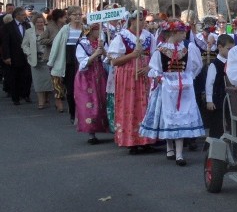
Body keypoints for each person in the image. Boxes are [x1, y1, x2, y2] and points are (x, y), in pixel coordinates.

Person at [139, 19, 206, 166]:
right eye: (182, 32)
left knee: (180, 118)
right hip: (166, 88)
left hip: (183, 88)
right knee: (168, 118)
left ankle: (180, 154)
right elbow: (154, 69)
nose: (184, 35)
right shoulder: (160, 50)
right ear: (174, 33)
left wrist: (187, 78)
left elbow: (193, 67)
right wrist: (161, 78)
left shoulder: (186, 50)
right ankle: (170, 148)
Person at [107, 12, 157, 154]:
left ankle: (147, 140)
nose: (143, 23)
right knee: (130, 105)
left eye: (143, 20)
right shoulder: (122, 36)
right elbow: (114, 61)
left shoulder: (148, 36)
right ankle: (131, 141)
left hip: (145, 75)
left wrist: (149, 67)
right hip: (128, 75)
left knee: (146, 105)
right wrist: (132, 55)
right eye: (140, 20)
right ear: (132, 21)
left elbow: (155, 56)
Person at [47, 5, 85, 123]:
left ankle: (83, 114)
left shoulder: (85, 29)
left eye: (80, 14)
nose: (78, 17)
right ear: (69, 16)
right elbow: (56, 46)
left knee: (83, 90)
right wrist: (51, 62)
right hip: (69, 63)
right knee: (71, 90)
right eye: (75, 15)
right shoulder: (65, 30)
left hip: (82, 63)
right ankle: (73, 114)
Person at [73, 23, 110, 145]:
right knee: (89, 102)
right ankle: (91, 132)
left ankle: (107, 127)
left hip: (100, 74)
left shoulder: (102, 42)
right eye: (96, 30)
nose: (99, 33)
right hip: (87, 77)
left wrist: (103, 51)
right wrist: (94, 55)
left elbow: (109, 58)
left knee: (103, 100)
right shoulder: (83, 44)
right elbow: (82, 63)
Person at [21, 12, 53, 109]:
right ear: (34, 23)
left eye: (42, 22)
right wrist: (29, 53)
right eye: (38, 22)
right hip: (35, 60)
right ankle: (41, 102)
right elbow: (24, 45)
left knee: (48, 82)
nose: (40, 24)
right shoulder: (29, 32)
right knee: (38, 82)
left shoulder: (48, 31)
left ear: (44, 22)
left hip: (47, 59)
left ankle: (46, 98)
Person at [205, 33, 234, 139]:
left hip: (229, 99)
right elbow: (209, 83)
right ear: (220, 47)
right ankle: (213, 150)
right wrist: (209, 100)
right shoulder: (215, 64)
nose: (231, 52)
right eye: (229, 49)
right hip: (217, 99)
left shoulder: (231, 63)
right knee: (217, 125)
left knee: (229, 123)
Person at [2, 6, 33, 105]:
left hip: (26, 56)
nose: (25, 17)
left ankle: (26, 95)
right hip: (14, 55)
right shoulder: (8, 27)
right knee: (15, 77)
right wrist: (6, 57)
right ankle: (16, 98)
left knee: (27, 77)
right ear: (17, 16)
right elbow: (5, 43)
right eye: (23, 15)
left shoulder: (27, 25)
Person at [44, 9, 67, 112]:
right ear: (59, 18)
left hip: (64, 55)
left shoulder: (67, 27)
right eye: (64, 17)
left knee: (65, 79)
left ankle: (63, 95)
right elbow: (42, 39)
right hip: (53, 55)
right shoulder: (49, 27)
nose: (65, 19)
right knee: (56, 80)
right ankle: (58, 101)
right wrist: (52, 41)